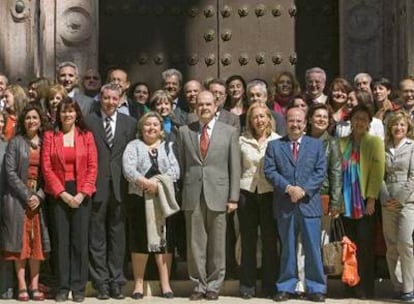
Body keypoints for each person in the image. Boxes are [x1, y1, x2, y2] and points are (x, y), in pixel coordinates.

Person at [177, 90, 240, 300]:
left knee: (217, 244)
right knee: (195, 244)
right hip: (193, 193)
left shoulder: (229, 131)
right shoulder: (185, 131)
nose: (204, 108)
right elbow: (182, 164)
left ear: (216, 107)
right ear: (195, 108)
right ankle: (198, 285)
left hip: (220, 194)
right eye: (200, 105)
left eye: (208, 104)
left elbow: (234, 166)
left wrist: (233, 197)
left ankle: (214, 285)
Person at [264, 106, 327, 302]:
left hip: (309, 205)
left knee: (313, 249)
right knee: (288, 248)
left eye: (299, 121)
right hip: (286, 204)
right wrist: (289, 188)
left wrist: (303, 190)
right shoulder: (275, 146)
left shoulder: (316, 145)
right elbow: (270, 171)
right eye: (291, 120)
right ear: (286, 122)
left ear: (305, 122)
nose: (295, 124)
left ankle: (316, 287)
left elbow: (320, 172)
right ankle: (286, 286)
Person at [41, 97, 97, 302]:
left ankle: (79, 288)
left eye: (71, 111)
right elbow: (46, 168)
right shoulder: (50, 136)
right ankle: (63, 287)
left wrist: (82, 193)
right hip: (59, 194)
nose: (67, 115)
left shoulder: (87, 136)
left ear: (77, 114)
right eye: (64, 112)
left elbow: (92, 167)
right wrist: (63, 194)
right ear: (59, 114)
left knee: (79, 242)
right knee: (61, 242)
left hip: (82, 192)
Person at [85, 83, 137, 300]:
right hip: (95, 187)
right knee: (97, 238)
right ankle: (101, 282)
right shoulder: (89, 121)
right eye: (106, 98)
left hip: (120, 188)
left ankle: (117, 281)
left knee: (118, 237)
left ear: (120, 100)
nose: (110, 102)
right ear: (100, 98)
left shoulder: (130, 123)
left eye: (114, 99)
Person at [122, 111, 180, 299]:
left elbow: (175, 170)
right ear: (141, 127)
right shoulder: (133, 146)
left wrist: (158, 185)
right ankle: (139, 284)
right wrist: (146, 184)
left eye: (155, 124)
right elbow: (128, 169)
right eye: (148, 124)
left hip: (163, 200)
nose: (151, 128)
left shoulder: (168, 146)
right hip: (139, 200)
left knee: (165, 243)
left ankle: (165, 284)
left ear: (161, 128)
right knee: (140, 241)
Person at [0, 104, 51, 301]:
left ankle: (35, 285)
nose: (31, 121)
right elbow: (10, 172)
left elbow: (49, 173)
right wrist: (27, 195)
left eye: (35, 118)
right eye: (28, 117)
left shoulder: (47, 142)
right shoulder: (15, 142)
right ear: (23, 121)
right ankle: (22, 285)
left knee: (36, 244)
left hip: (38, 200)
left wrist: (38, 196)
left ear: (40, 121)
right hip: (17, 199)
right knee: (19, 243)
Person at [339, 104, 385, 299]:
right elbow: (335, 171)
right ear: (351, 121)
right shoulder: (340, 142)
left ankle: (365, 288)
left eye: (363, 119)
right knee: (349, 245)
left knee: (365, 246)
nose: (359, 122)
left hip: (365, 201)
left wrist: (372, 200)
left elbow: (377, 172)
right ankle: (350, 284)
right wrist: (336, 200)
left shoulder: (374, 143)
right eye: (356, 118)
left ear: (368, 123)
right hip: (345, 201)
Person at [296, 104, 342, 295]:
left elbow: (336, 173)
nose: (321, 119)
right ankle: (300, 284)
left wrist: (336, 202)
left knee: (321, 244)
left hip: (322, 198)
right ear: (310, 119)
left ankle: (318, 286)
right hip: (300, 198)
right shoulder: (301, 140)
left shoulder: (332, 143)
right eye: (318, 116)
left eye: (325, 117)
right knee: (300, 242)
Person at [238, 102, 280, 299]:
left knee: (270, 241)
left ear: (269, 118)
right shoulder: (241, 140)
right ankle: (247, 285)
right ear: (250, 120)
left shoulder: (278, 140)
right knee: (248, 240)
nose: (259, 120)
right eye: (255, 117)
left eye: (262, 116)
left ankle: (270, 285)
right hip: (246, 192)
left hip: (269, 193)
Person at [380, 111, 414, 302]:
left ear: (407, 127)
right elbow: (378, 174)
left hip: (407, 201)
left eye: (402, 124)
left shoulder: (412, 147)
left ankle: (410, 287)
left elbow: (413, 176)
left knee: (405, 243)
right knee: (391, 245)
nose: (398, 128)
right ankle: (398, 285)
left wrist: (400, 198)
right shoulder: (383, 147)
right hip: (387, 200)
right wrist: (385, 196)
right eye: (395, 124)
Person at [0, 110, 15, 299]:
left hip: (4, 200)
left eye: (1, 120)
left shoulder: (8, 145)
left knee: (5, 245)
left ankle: (5, 286)